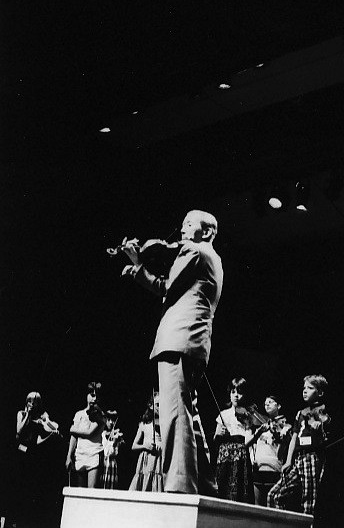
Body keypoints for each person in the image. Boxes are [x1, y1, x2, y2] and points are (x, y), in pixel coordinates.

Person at [121, 210, 223, 495]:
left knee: (175, 414)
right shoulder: (214, 259)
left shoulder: (195, 251)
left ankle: (179, 485)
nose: (182, 229)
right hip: (194, 342)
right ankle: (204, 483)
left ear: (207, 232)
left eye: (189, 224)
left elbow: (166, 288)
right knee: (189, 415)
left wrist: (138, 264)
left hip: (178, 340)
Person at [267, 374, 330, 517]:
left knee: (308, 501)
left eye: (310, 388)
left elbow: (324, 435)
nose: (305, 391)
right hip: (297, 459)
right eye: (304, 388)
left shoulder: (322, 411)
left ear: (320, 393)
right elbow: (294, 437)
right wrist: (288, 460)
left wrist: (319, 428)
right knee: (274, 495)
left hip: (311, 457)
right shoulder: (300, 413)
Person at [13, 392, 61, 525]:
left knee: (31, 489)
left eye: (35, 402)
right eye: (30, 401)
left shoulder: (40, 420)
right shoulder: (21, 414)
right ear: (27, 402)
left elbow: (38, 441)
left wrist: (51, 435)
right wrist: (27, 415)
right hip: (20, 453)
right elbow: (18, 431)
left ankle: (28, 520)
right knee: (19, 488)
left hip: (32, 455)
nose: (32, 404)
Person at [213, 377, 254, 502]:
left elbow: (248, 440)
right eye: (233, 392)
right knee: (222, 488)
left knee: (240, 490)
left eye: (240, 392)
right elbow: (215, 440)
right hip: (225, 454)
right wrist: (218, 434)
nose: (236, 396)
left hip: (240, 455)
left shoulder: (247, 415)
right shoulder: (223, 414)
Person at [251, 395, 292, 506]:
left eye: (270, 402)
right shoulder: (261, 424)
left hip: (274, 469)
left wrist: (278, 433)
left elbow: (284, 446)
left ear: (278, 405)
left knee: (272, 504)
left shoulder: (285, 426)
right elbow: (254, 445)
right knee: (257, 506)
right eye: (265, 403)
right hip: (258, 468)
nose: (267, 404)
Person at [65, 381, 105, 488]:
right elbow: (74, 437)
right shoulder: (79, 414)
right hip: (80, 454)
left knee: (91, 491)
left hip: (94, 453)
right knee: (80, 490)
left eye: (97, 396)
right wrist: (69, 456)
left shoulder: (100, 415)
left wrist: (72, 429)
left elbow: (89, 433)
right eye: (92, 395)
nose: (94, 399)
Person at [129, 392, 163, 492]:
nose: (160, 407)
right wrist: (145, 446)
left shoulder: (164, 422)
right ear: (151, 406)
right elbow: (134, 446)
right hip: (146, 459)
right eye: (157, 405)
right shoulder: (143, 424)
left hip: (159, 458)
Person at [101, 410, 125, 489]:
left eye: (113, 420)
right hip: (103, 463)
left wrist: (115, 441)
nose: (111, 422)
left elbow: (116, 450)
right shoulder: (102, 434)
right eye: (108, 420)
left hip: (112, 464)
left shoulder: (117, 434)